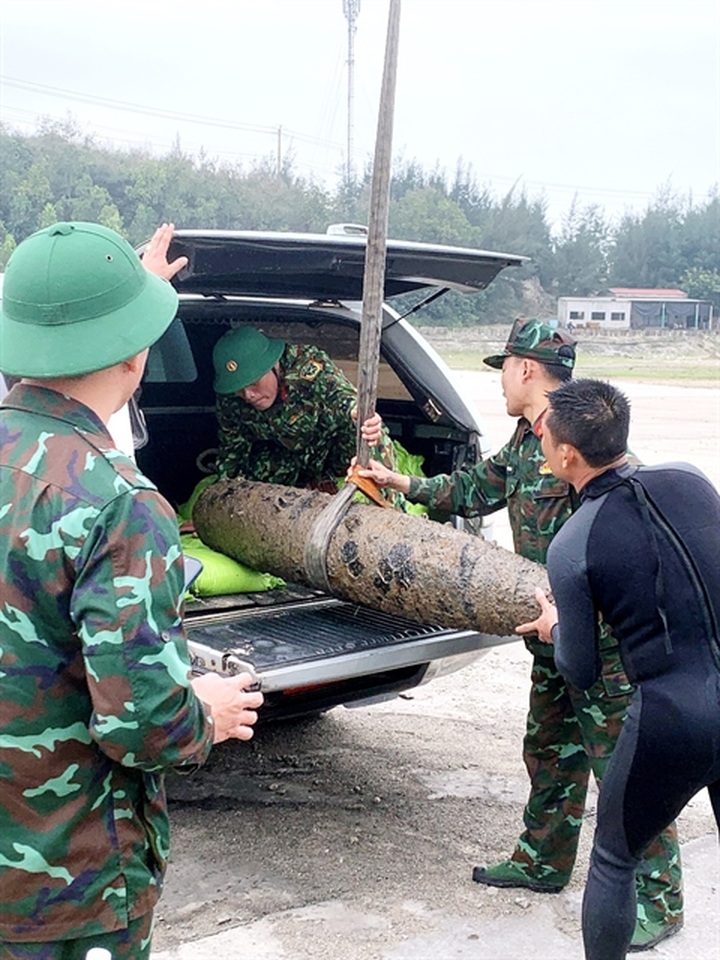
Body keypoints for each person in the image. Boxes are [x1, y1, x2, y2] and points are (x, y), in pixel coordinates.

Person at [352, 318, 683, 950]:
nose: (501, 379)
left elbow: (626, 537)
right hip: (551, 637)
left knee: (621, 771)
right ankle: (543, 860)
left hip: (602, 647)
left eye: (503, 366)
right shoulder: (531, 439)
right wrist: (401, 483)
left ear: (525, 369)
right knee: (550, 750)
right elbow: (479, 488)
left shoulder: (584, 441)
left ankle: (660, 901)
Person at [0, 221, 264, 960]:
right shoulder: (118, 502)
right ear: (132, 353)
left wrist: (122, 297)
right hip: (67, 890)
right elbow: (142, 725)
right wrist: (205, 714)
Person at [517, 378, 720, 960]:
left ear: (567, 456)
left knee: (613, 860)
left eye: (546, 440)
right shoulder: (691, 479)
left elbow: (579, 670)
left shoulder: (573, 543)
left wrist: (555, 626)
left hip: (674, 717)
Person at [212, 325, 404, 506]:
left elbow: (340, 394)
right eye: (239, 390)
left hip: (328, 449)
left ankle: (393, 511)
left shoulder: (307, 365)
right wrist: (219, 506)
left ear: (274, 365)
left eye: (253, 383)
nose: (247, 395)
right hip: (286, 457)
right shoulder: (231, 397)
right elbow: (232, 450)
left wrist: (357, 413)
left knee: (369, 433)